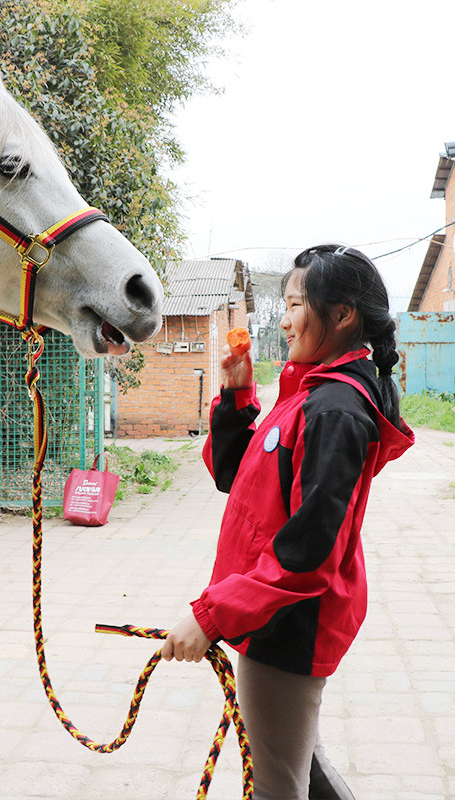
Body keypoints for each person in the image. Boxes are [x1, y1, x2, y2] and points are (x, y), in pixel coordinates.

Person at [161, 244, 414, 800]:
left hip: (288, 619)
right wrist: (236, 396)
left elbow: (310, 550)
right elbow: (238, 476)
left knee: (276, 782)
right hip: (270, 611)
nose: (284, 317)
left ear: (343, 313)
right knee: (301, 764)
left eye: (296, 303)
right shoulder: (309, 395)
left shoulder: (334, 410)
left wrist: (210, 615)